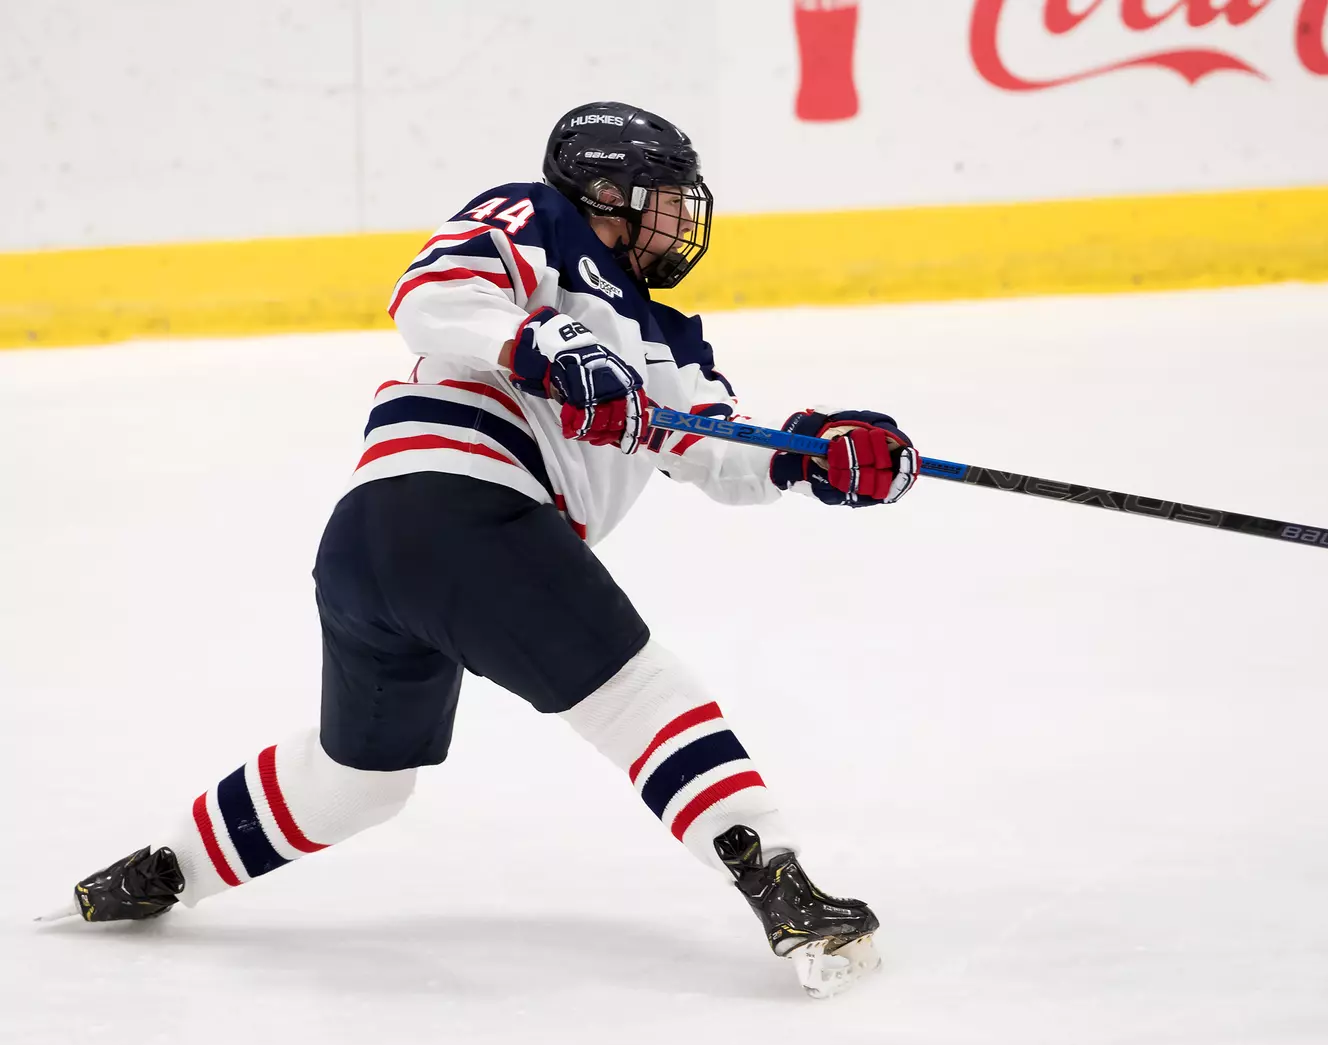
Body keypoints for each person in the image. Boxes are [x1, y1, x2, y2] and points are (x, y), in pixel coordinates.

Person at [56, 101, 919, 999]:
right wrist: (536, 337)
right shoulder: (536, 221)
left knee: (361, 780)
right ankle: (779, 885)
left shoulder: (668, 338)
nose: (681, 218)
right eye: (664, 197)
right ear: (610, 193)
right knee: (640, 697)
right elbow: (430, 295)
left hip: (376, 551)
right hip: (462, 507)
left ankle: (160, 870)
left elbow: (706, 442)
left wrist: (814, 456)